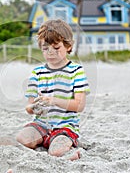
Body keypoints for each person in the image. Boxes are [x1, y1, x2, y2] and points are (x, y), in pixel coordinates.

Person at [16, 19, 90, 160]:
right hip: (41, 124)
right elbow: (28, 107)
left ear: (68, 46)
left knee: (56, 151)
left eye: (56, 48)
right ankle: (46, 141)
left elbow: (79, 106)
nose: (50, 52)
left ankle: (69, 154)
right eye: (45, 48)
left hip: (65, 126)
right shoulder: (37, 73)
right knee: (21, 139)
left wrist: (54, 101)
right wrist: (34, 107)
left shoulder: (76, 71)